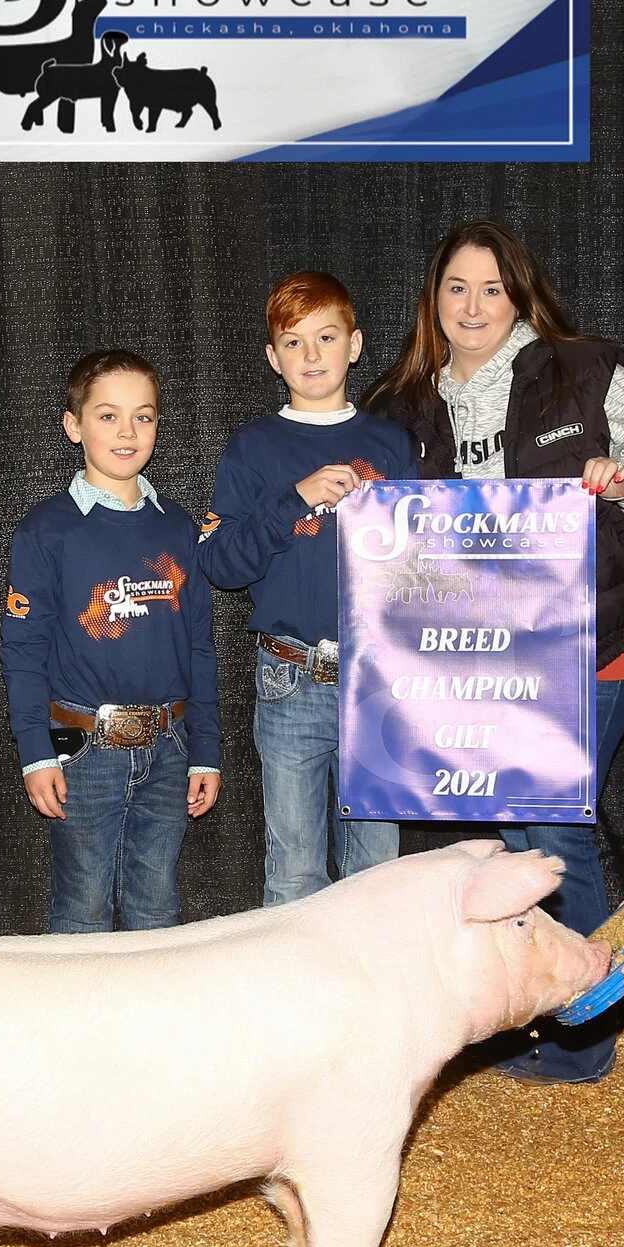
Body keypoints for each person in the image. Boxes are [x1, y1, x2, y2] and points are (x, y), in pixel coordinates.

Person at [365, 219, 624, 1083]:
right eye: (456, 288)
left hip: (590, 638)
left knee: (546, 825)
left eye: (492, 288)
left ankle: (584, 1037)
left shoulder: (581, 368)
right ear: (433, 300)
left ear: (521, 294)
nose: (473, 305)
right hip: (474, 652)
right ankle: (551, 1002)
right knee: (522, 828)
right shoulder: (398, 406)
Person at [201, 271, 418, 905]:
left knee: (378, 870)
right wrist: (293, 499)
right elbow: (220, 564)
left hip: (379, 676)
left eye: (327, 337)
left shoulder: (391, 443)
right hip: (290, 674)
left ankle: (375, 1004)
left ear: (355, 345)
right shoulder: (252, 447)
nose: (312, 355)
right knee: (294, 870)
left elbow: (426, 566)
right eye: (294, 343)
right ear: (273, 358)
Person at [1, 350, 221, 932]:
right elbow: (22, 650)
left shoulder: (180, 528)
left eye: (143, 417)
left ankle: (148, 1026)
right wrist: (36, 751)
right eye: (107, 416)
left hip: (170, 749)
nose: (127, 432)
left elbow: (200, 646)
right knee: (83, 910)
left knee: (157, 911)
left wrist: (206, 749)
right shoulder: (47, 530)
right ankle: (76, 1025)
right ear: (74, 426)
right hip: (82, 746)